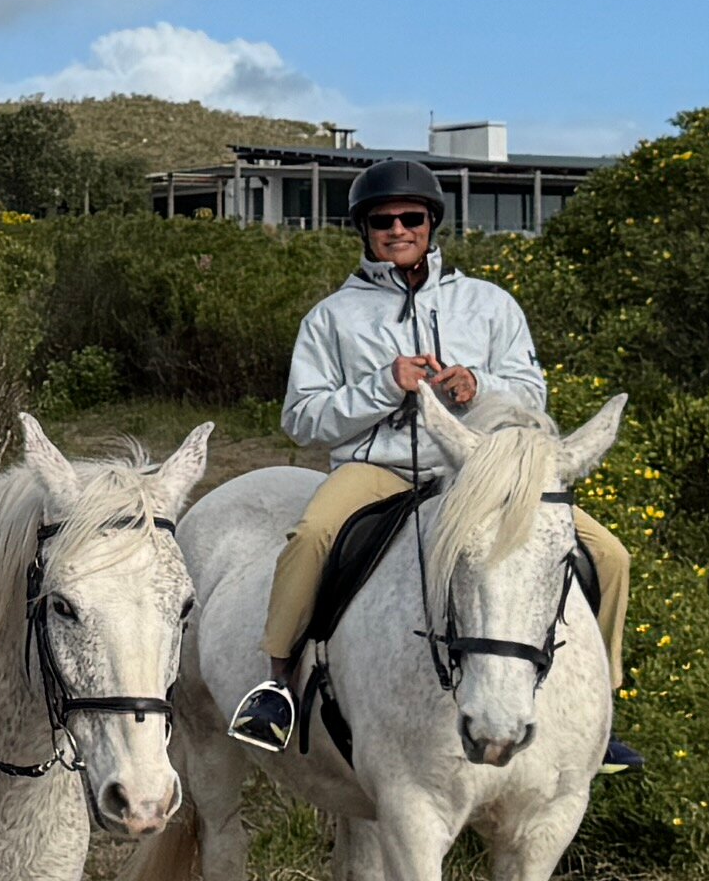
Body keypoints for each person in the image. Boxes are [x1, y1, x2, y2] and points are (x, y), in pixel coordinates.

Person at [221, 157, 637, 770]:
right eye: (382, 220)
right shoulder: (330, 318)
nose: (397, 229)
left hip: (478, 477)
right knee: (311, 535)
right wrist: (383, 386)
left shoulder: (489, 304)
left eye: (410, 218)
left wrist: (477, 384)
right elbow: (302, 418)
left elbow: (533, 390)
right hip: (378, 470)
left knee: (609, 555)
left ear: (430, 223)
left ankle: (599, 709)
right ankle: (277, 686)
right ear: (363, 229)